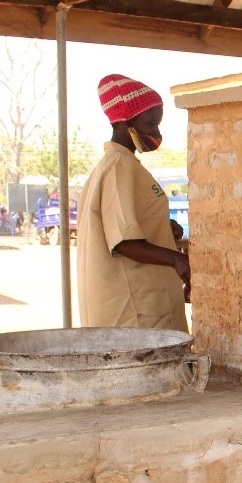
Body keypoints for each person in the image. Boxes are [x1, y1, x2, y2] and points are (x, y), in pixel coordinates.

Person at [77, 74, 190, 332]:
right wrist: (179, 261)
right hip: (134, 309)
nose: (156, 133)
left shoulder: (125, 166)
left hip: (146, 301)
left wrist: (160, 225)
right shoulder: (118, 167)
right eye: (151, 124)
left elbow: (128, 221)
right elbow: (124, 241)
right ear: (126, 122)